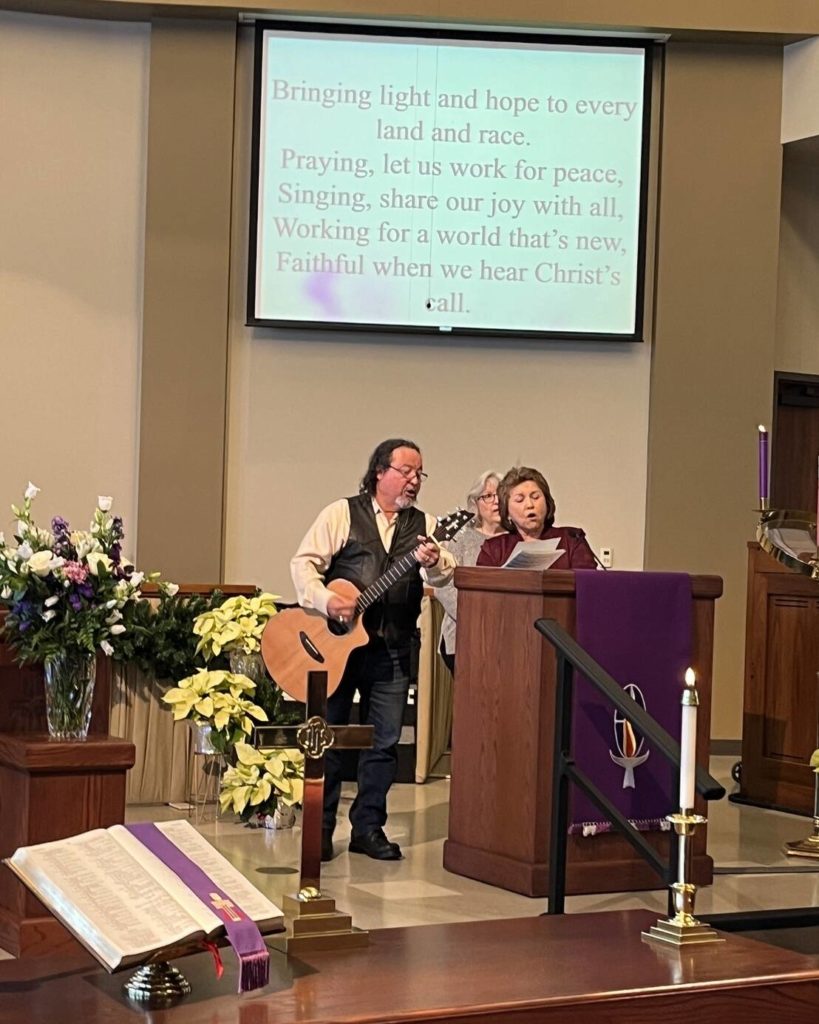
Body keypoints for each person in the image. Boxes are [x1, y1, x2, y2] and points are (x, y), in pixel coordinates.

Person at [291, 439, 455, 862]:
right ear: (380, 472)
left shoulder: (426, 525)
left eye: (419, 473)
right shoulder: (342, 513)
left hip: (393, 648)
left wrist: (434, 562)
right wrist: (328, 600)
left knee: (383, 743)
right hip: (335, 647)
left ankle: (367, 829)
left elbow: (443, 577)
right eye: (406, 471)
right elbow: (303, 564)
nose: (414, 480)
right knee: (326, 738)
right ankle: (320, 830)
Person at [435, 470, 506, 675]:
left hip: (505, 636)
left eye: (500, 495)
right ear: (475, 503)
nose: (495, 501)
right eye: (488, 496)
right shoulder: (461, 538)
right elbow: (445, 587)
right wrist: (477, 617)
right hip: (463, 635)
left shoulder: (515, 539)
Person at [476, 466, 597, 569]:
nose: (530, 505)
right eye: (520, 500)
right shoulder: (493, 549)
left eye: (535, 497)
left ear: (547, 502)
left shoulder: (572, 539)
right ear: (507, 512)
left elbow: (588, 584)